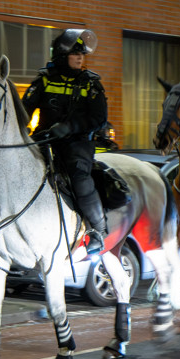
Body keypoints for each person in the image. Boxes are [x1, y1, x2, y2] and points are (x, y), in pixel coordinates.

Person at [23, 29, 109, 254]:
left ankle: (98, 232)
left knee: (79, 177)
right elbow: (24, 111)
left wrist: (70, 127)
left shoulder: (90, 84)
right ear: (62, 55)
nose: (80, 58)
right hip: (45, 141)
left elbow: (99, 118)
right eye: (75, 53)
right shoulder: (44, 80)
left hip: (77, 144)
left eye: (82, 54)